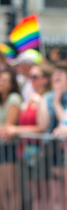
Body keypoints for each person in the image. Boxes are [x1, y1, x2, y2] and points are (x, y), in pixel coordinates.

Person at [1, 65, 52, 209]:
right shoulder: (29, 99)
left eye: (34, 77)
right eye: (30, 76)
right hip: (27, 151)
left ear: (45, 80)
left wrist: (16, 130)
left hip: (44, 151)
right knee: (33, 194)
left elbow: (42, 127)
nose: (31, 80)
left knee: (45, 195)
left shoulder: (46, 98)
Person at [0, 69, 22, 210]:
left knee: (11, 188)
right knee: (2, 191)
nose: (1, 82)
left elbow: (8, 127)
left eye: (5, 80)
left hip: (9, 147)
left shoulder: (13, 98)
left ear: (12, 83)